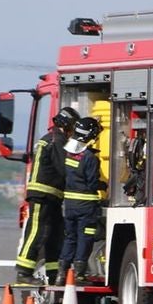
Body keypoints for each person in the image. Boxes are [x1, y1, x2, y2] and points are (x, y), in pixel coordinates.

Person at [12, 109, 78, 285]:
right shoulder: (57, 140)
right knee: (37, 231)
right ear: (66, 126)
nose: (73, 132)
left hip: (52, 196)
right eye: (72, 127)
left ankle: (53, 272)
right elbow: (63, 168)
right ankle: (24, 272)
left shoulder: (53, 138)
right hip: (43, 194)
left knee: (54, 235)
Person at [59, 116, 107, 284]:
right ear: (90, 135)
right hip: (87, 206)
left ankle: (61, 273)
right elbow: (92, 182)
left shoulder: (68, 153)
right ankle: (79, 274)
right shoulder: (90, 158)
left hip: (70, 205)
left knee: (70, 237)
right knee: (85, 237)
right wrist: (105, 185)